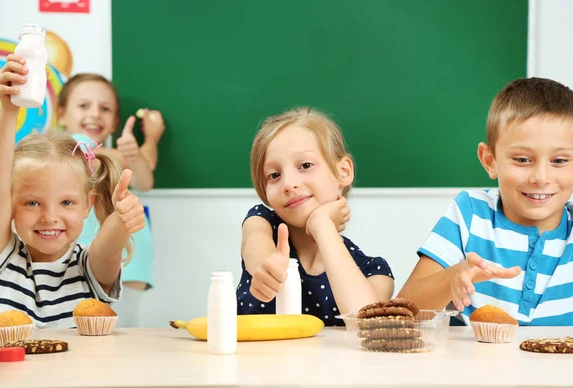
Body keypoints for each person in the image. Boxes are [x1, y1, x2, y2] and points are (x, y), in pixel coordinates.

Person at [0, 54, 145, 328]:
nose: (50, 217)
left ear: (88, 204)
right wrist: (8, 110)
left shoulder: (88, 267)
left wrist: (121, 221)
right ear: (10, 204)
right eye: (32, 203)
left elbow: (108, 249)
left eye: (66, 202)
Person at [399, 77, 573, 326]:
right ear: (489, 160)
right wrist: (450, 279)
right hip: (471, 365)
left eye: (559, 161)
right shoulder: (470, 213)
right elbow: (405, 309)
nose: (541, 178)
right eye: (522, 160)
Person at [237, 107, 394, 325]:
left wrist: (322, 224)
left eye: (306, 165)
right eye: (274, 175)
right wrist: (266, 268)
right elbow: (256, 248)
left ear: (344, 172)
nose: (289, 184)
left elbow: (363, 324)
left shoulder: (373, 271)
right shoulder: (261, 221)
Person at [56, 73, 165, 326]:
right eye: (83, 106)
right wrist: (149, 141)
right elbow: (126, 160)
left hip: (131, 262)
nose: (94, 114)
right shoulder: (72, 147)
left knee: (118, 339)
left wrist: (143, 148)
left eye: (105, 109)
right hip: (89, 263)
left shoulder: (117, 159)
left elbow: (144, 180)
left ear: (115, 121)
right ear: (61, 114)